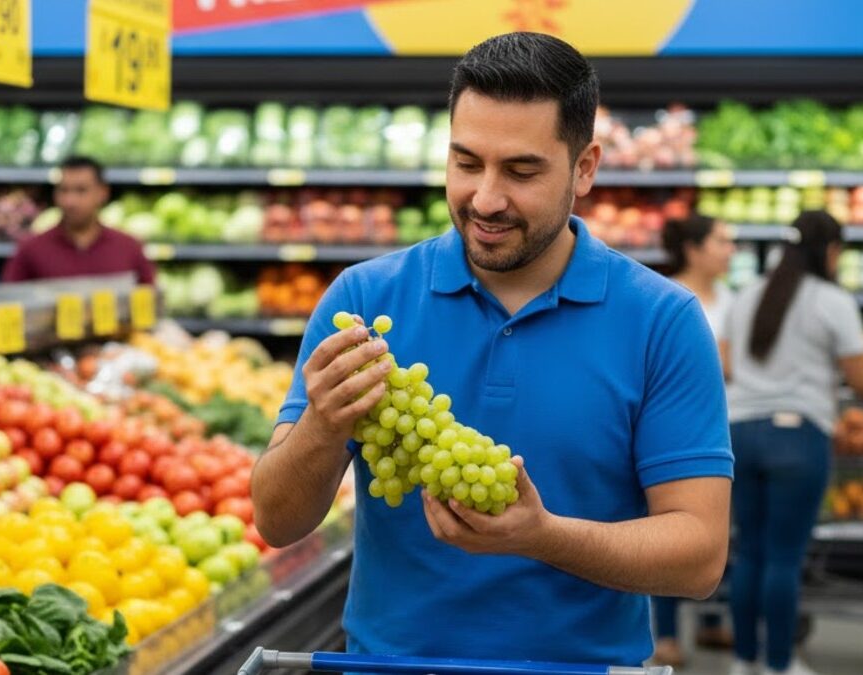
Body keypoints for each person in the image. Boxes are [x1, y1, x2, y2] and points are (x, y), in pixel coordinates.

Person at [252, 32, 733, 668]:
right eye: (466, 163)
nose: (485, 199)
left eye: (521, 171)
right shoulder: (364, 300)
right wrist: (320, 425)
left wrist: (543, 537)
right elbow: (277, 522)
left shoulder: (661, 320)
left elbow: (699, 556)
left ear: (585, 167)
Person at [721, 211, 863, 675]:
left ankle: (743, 660)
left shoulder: (747, 295)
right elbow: (858, 377)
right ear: (830, 251)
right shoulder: (831, 300)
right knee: (784, 557)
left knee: (749, 552)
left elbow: (727, 364)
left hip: (741, 434)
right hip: (798, 439)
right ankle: (780, 664)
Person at [652, 214, 737, 667]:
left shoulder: (733, 300)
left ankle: (711, 621)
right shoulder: (666, 300)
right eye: (722, 241)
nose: (730, 250)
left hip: (728, 430)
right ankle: (667, 634)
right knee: (668, 524)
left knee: (718, 533)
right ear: (694, 249)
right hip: (675, 432)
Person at [2, 156, 155, 284]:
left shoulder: (129, 248)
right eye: (64, 190)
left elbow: (151, 300)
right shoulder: (31, 250)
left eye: (81, 190)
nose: (70, 201)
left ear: (103, 192)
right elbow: (9, 301)